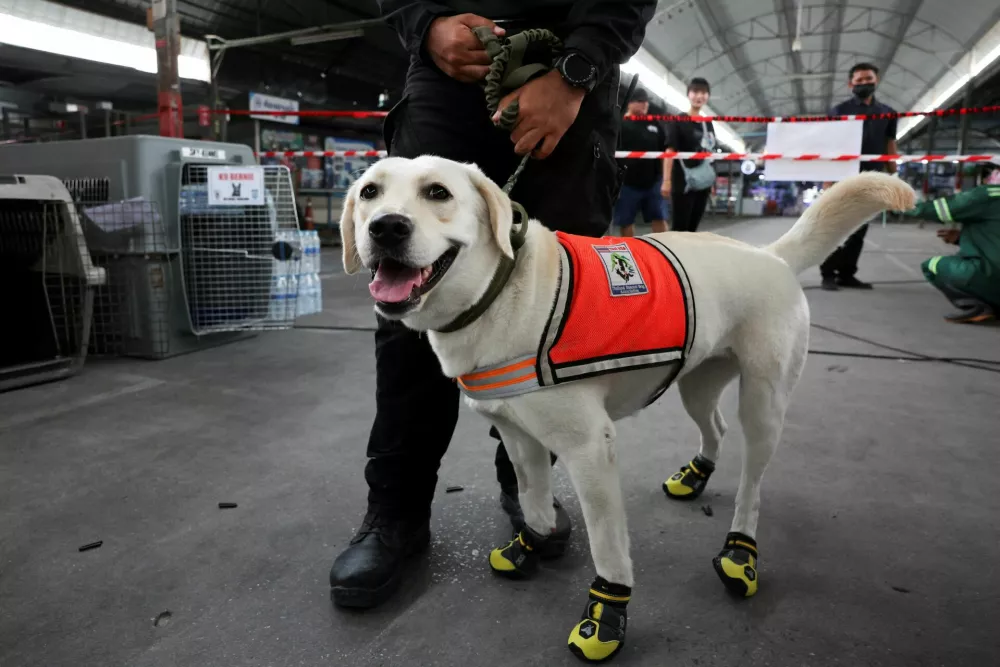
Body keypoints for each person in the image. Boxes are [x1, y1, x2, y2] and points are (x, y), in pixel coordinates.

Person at [329, 1, 657, 610]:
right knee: (410, 302)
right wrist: (424, 25)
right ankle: (395, 510)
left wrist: (575, 70)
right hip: (442, 83)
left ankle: (527, 486)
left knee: (559, 306)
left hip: (569, 81)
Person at [820, 62, 899, 291]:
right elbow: (829, 146)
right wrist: (827, 180)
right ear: (850, 84)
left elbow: (890, 145)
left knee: (860, 228)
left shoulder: (888, 113)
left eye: (868, 79)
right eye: (859, 80)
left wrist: (895, 176)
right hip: (842, 176)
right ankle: (828, 273)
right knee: (836, 226)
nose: (864, 83)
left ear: (877, 80)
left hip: (873, 175)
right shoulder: (839, 111)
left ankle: (847, 273)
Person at [904, 165, 1000, 323]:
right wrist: (961, 238)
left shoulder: (988, 195)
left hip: (992, 275)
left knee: (933, 266)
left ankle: (981, 307)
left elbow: (935, 210)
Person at [613, 88, 670, 235]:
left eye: (646, 101)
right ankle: (629, 252)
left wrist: (666, 180)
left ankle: (663, 250)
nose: (645, 104)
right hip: (627, 183)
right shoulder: (620, 124)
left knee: (659, 217)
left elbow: (667, 151)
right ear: (630, 103)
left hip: (653, 182)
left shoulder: (654, 124)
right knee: (626, 221)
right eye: (640, 101)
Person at [663, 77, 716, 232]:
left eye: (704, 93)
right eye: (695, 92)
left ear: (708, 96)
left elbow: (710, 152)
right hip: (682, 181)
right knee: (680, 227)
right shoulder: (679, 120)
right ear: (688, 95)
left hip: (703, 182)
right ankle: (673, 256)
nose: (699, 96)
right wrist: (666, 180)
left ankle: (687, 256)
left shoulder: (708, 123)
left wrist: (712, 180)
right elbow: (670, 151)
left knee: (693, 228)